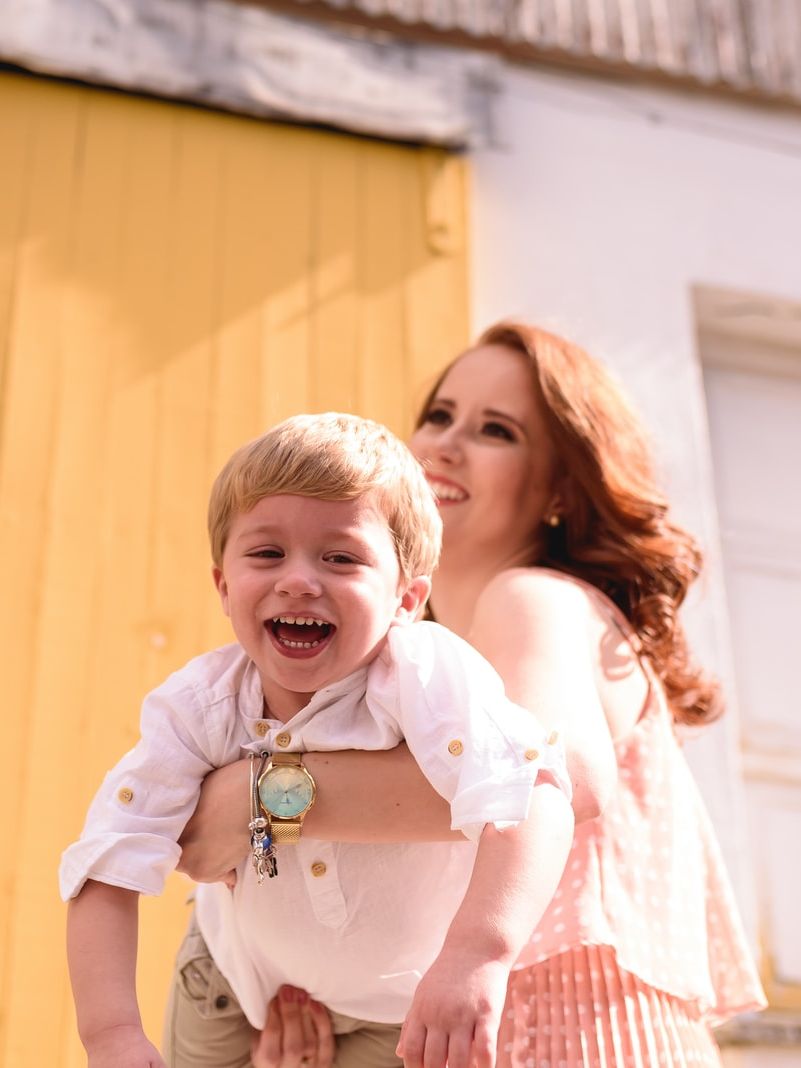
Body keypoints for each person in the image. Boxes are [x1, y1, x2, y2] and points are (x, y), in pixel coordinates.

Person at [178, 323, 766, 1068]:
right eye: (438, 415)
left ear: (559, 487)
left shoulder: (530, 599)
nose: (444, 445)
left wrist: (258, 800)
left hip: (570, 1035)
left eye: (495, 430)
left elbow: (559, 773)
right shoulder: (412, 666)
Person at [60, 412, 575, 1068]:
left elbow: (532, 796)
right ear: (222, 584)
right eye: (267, 553)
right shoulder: (198, 707)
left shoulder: (426, 676)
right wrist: (111, 1037)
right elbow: (107, 862)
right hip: (231, 981)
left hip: (401, 1002)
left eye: (340, 557)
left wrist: (477, 956)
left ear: (406, 598)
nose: (299, 579)